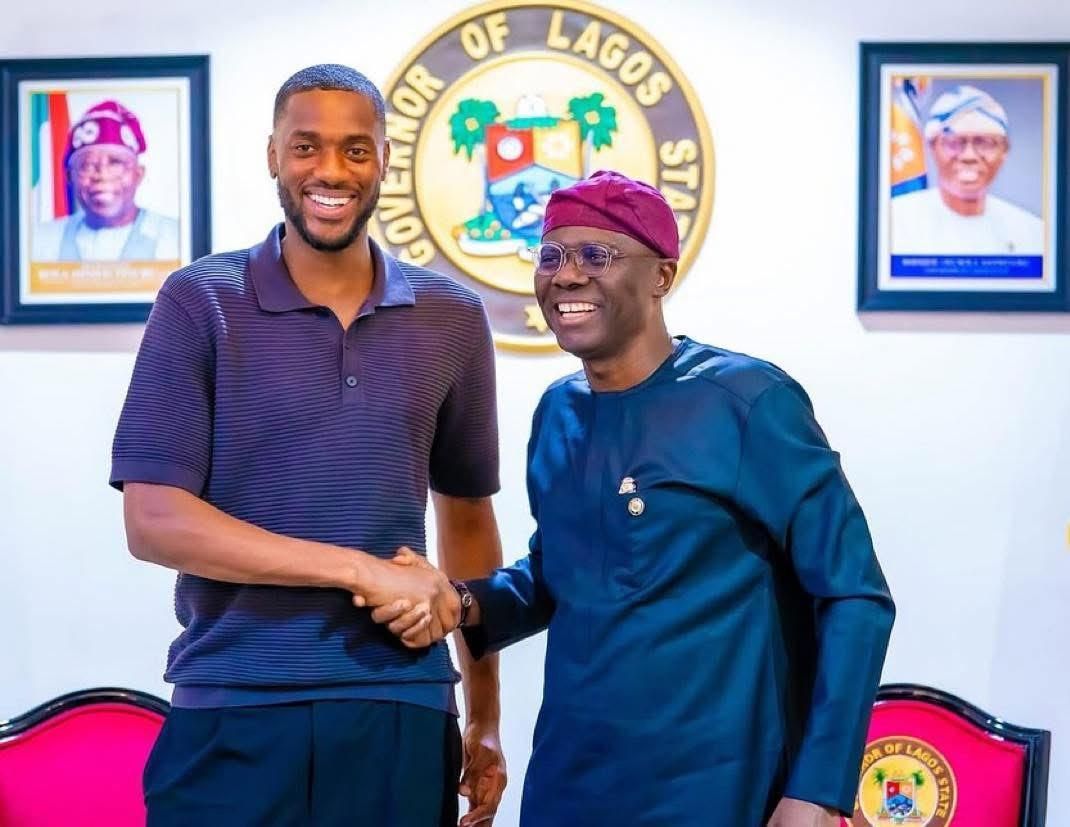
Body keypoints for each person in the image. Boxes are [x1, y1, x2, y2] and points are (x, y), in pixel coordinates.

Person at [376, 170, 896, 826]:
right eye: (552, 255)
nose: (566, 275)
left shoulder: (747, 403)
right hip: (571, 784)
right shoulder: (558, 412)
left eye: (598, 254)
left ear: (661, 276)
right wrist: (463, 601)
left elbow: (856, 595)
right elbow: (563, 569)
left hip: (716, 789)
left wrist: (818, 790)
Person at [110, 64, 506, 826]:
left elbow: (467, 525)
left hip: (401, 708)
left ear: (386, 160)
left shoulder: (452, 317)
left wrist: (485, 716)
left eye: (357, 150)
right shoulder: (201, 302)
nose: (331, 171)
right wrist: (356, 568)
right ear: (272, 156)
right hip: (235, 706)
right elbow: (153, 521)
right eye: (307, 147)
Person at [891, 84, 1044, 255]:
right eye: (954, 143)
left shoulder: (1034, 235)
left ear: (1004, 151)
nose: (969, 156)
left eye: (985, 143)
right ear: (932, 148)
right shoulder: (893, 224)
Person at [33, 100, 181, 262]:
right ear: (70, 177)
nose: (102, 175)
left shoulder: (177, 238)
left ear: (138, 174)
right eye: (87, 165)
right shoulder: (39, 242)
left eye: (115, 162)